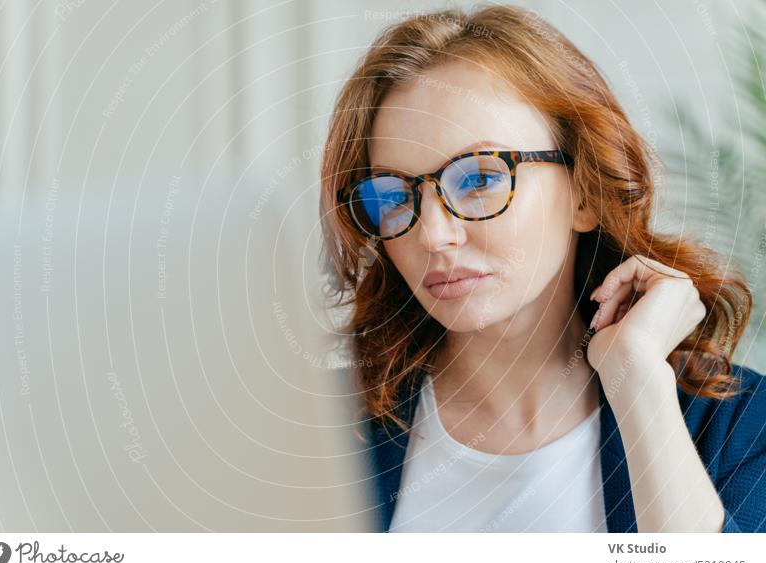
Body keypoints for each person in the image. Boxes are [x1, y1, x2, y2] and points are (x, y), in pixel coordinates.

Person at [318, 4, 766, 533]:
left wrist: (639, 383)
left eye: (481, 179)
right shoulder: (331, 426)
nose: (433, 236)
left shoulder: (737, 426)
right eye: (393, 195)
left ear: (584, 193)